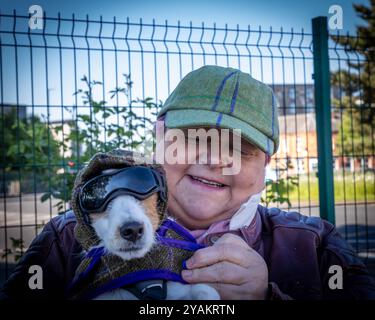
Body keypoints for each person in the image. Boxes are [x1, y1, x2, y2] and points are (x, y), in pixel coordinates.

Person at [1, 65, 374, 300]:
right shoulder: (66, 239)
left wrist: (268, 295)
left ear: (266, 165)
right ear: (159, 139)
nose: (213, 159)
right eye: (194, 138)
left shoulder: (315, 247)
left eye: (240, 149)